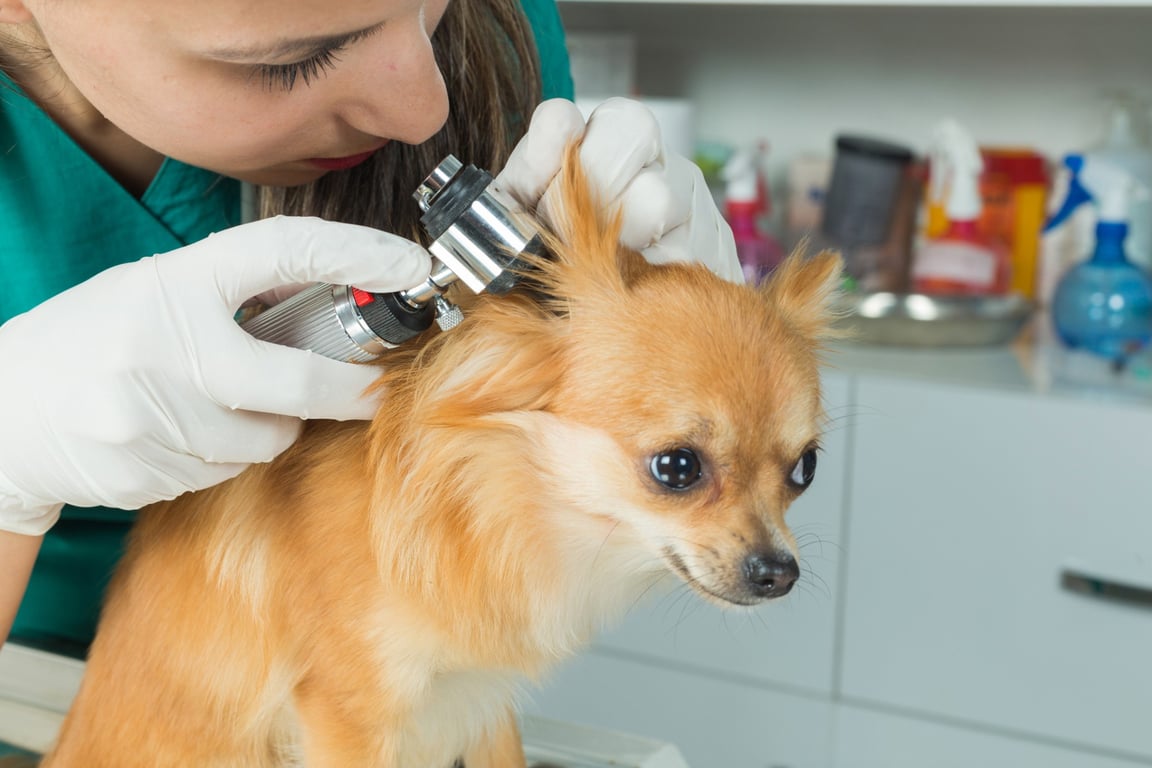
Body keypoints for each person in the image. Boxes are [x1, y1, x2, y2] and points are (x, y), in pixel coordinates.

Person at [0, 0, 739, 655]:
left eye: (427, 6)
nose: (424, 108)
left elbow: (505, 555)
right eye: (298, 59)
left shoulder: (492, 25)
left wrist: (649, 347)